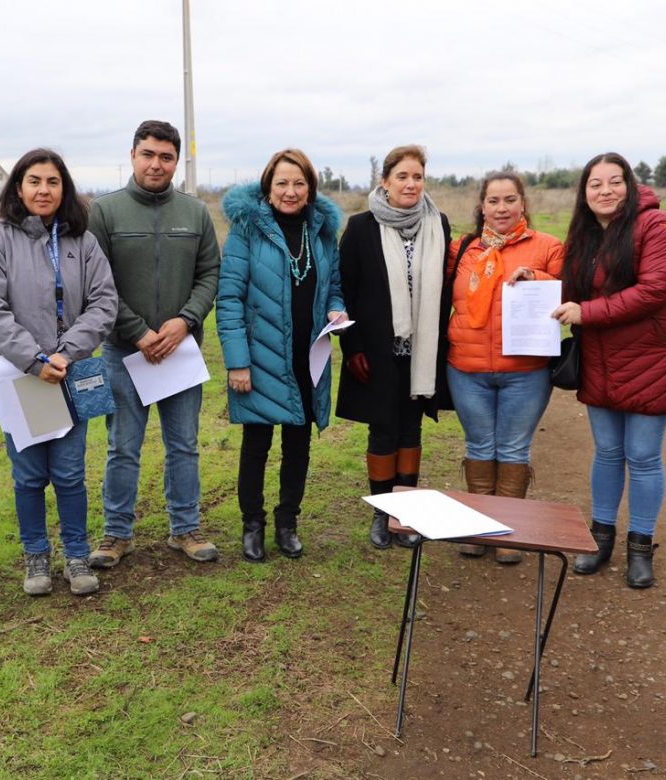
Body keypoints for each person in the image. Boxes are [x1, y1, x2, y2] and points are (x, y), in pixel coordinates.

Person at [0, 149, 117, 596]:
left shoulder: (83, 241)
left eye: (52, 182)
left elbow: (104, 303)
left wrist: (66, 354)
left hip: (70, 374)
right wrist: (35, 360)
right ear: (18, 187)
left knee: (71, 473)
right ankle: (36, 557)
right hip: (20, 377)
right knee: (29, 475)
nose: (43, 190)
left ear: (64, 189)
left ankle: (76, 554)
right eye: (34, 181)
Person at [86, 120, 222, 568]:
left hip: (180, 351)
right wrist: (138, 332)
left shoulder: (196, 213)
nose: (156, 164)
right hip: (126, 352)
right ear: (132, 155)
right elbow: (97, 283)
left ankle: (185, 528)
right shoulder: (104, 213)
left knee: (183, 443)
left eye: (166, 157)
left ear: (176, 161)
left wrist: (185, 322)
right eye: (148, 154)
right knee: (122, 445)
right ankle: (115, 533)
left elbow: (209, 275)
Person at [551, 153, 666, 588]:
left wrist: (586, 313)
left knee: (644, 457)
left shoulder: (657, 226)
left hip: (651, 359)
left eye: (614, 182)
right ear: (584, 192)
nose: (605, 191)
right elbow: (569, 290)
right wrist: (534, 278)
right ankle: (601, 537)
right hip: (601, 361)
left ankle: (641, 546)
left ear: (629, 186)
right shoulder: (585, 233)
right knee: (608, 452)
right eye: (595, 184)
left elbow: (653, 291)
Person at [217, 149, 346, 562]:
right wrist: (237, 361)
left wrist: (336, 307)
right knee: (256, 444)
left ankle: (287, 522)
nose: (290, 192)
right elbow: (230, 299)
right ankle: (252, 524)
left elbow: (336, 285)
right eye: (282, 184)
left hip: (308, 356)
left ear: (310, 188)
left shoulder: (323, 232)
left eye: (299, 183)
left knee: (298, 445)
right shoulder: (247, 230)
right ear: (267, 188)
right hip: (259, 358)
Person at [337, 145, 453, 549]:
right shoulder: (360, 227)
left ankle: (408, 513)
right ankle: (382, 513)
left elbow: (446, 291)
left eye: (417, 176)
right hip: (376, 351)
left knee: (412, 429)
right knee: (382, 429)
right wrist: (351, 347)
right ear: (385, 181)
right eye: (402, 176)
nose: (410, 183)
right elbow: (344, 291)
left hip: (421, 351)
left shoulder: (439, 224)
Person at [446, 173, 564, 563]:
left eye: (509, 200)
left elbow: (571, 291)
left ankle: (508, 534)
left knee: (513, 447)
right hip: (467, 368)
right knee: (479, 445)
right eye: (493, 201)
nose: (501, 208)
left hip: (526, 370)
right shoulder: (461, 250)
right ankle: (479, 528)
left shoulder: (547, 247)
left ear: (523, 204)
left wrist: (537, 277)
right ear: (482, 205)